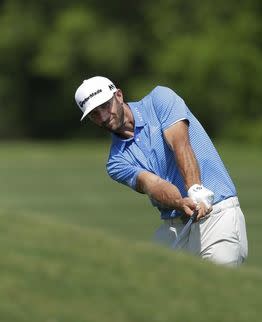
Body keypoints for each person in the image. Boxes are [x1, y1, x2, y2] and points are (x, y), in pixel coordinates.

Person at [74, 76, 248, 266]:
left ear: (119, 95)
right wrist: (180, 202)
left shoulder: (160, 99)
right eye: (94, 114)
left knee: (219, 286)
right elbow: (154, 185)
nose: (103, 117)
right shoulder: (116, 162)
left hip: (217, 213)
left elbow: (180, 144)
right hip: (175, 226)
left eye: (105, 106)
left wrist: (196, 189)